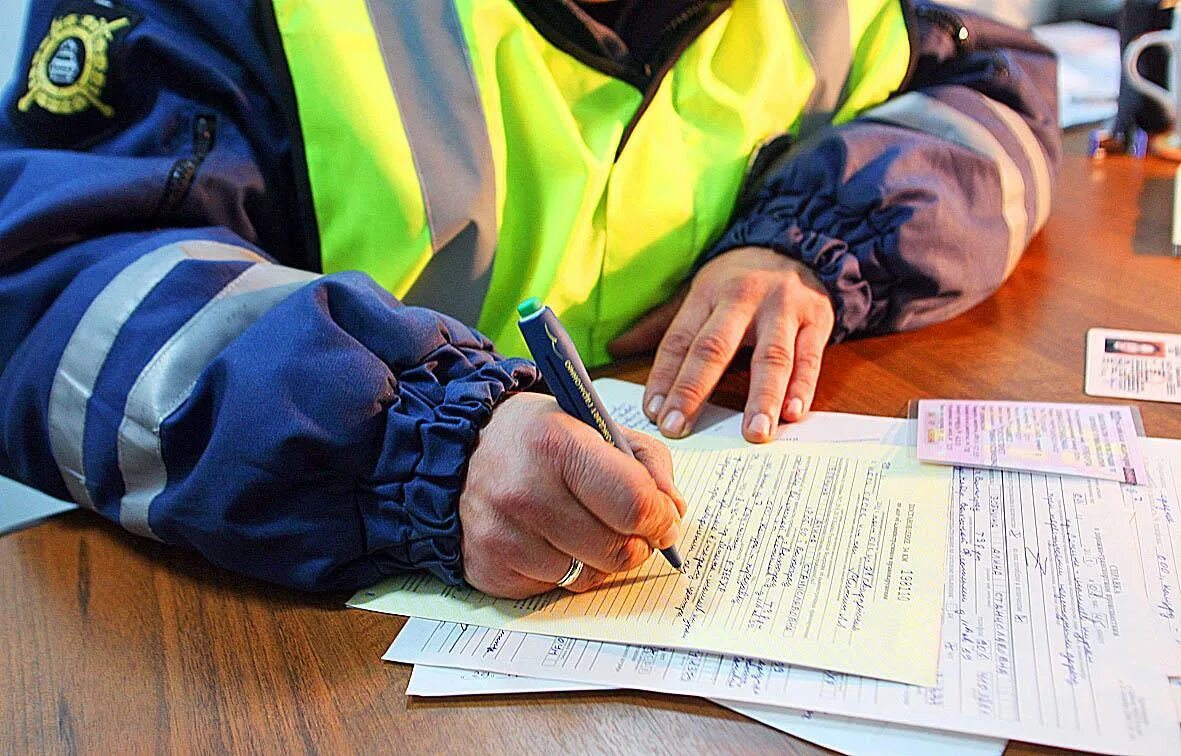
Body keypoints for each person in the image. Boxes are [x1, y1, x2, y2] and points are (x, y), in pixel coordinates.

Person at [0, 0, 1059, 598]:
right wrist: (422, 445)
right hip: (321, 643)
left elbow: (995, 98)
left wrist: (805, 241)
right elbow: (50, 292)